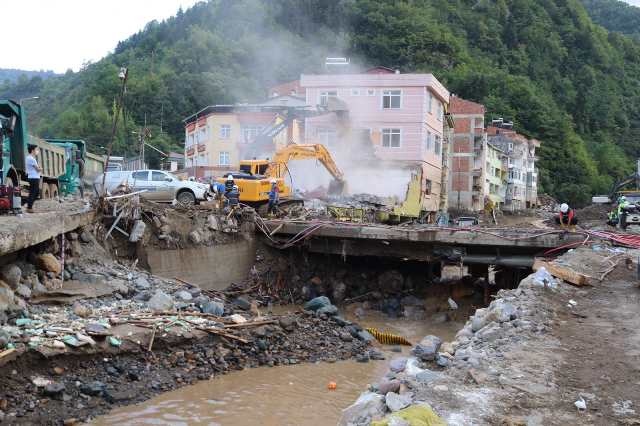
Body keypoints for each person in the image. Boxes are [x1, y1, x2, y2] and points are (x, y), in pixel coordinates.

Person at [25, 145, 42, 213]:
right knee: (34, 193)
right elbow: (37, 169)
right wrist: (41, 168)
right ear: (32, 150)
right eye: (36, 150)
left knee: (35, 192)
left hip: (33, 177)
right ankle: (29, 207)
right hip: (34, 177)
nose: (37, 151)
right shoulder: (31, 159)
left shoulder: (29, 158)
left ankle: (29, 206)